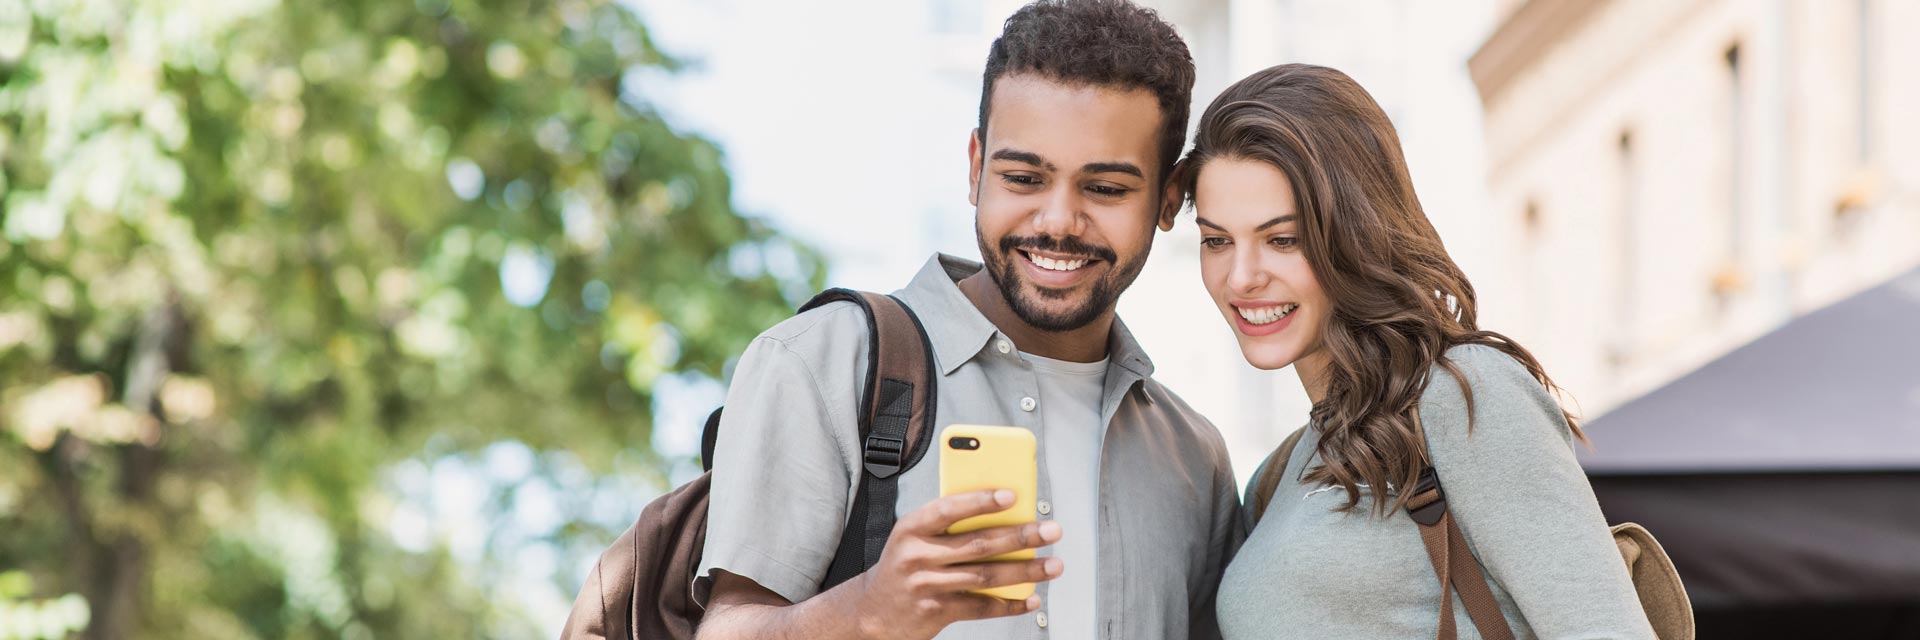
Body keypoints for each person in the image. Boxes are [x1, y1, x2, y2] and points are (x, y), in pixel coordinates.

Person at [694, 2, 1240, 639]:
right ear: (976, 168)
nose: (1058, 221)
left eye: (1106, 189)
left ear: (1169, 199)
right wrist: (873, 609)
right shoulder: (827, 361)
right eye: (1023, 176)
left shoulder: (1194, 459)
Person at [1175, 63, 1655, 638]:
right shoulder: (1277, 479)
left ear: (1355, 233)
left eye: (1283, 240)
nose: (1242, 276)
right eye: (1216, 241)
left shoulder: (1465, 394)